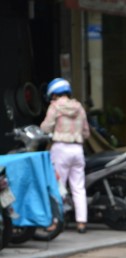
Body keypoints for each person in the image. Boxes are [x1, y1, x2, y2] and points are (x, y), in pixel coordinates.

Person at [41, 78, 90, 233]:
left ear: (53, 93)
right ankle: (81, 223)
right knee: (79, 187)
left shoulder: (55, 107)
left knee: (58, 185)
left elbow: (46, 128)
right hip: (77, 149)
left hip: (60, 149)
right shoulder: (79, 108)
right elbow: (86, 133)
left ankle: (56, 222)